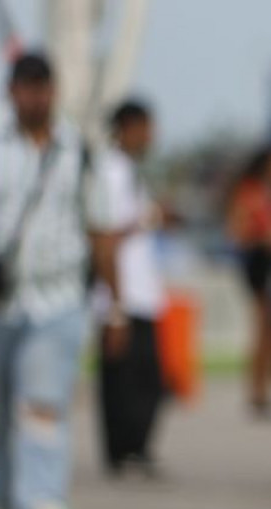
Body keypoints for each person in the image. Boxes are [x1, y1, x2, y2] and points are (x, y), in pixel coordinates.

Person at [0, 50, 120, 509]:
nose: (34, 96)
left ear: (54, 91)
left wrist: (112, 306)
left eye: (42, 86)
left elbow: (101, 232)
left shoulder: (81, 152)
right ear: (11, 92)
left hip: (57, 299)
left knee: (43, 408)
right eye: (26, 86)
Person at [94, 98, 167, 479]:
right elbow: (104, 236)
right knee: (125, 380)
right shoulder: (108, 172)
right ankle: (122, 452)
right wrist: (116, 307)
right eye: (146, 128)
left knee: (145, 380)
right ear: (127, 127)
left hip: (141, 291)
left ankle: (133, 448)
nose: (151, 136)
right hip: (119, 294)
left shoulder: (132, 171)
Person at [226, 145, 271, 418]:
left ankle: (264, 389)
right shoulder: (249, 191)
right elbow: (237, 231)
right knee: (263, 330)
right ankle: (257, 392)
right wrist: (264, 237)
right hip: (258, 262)